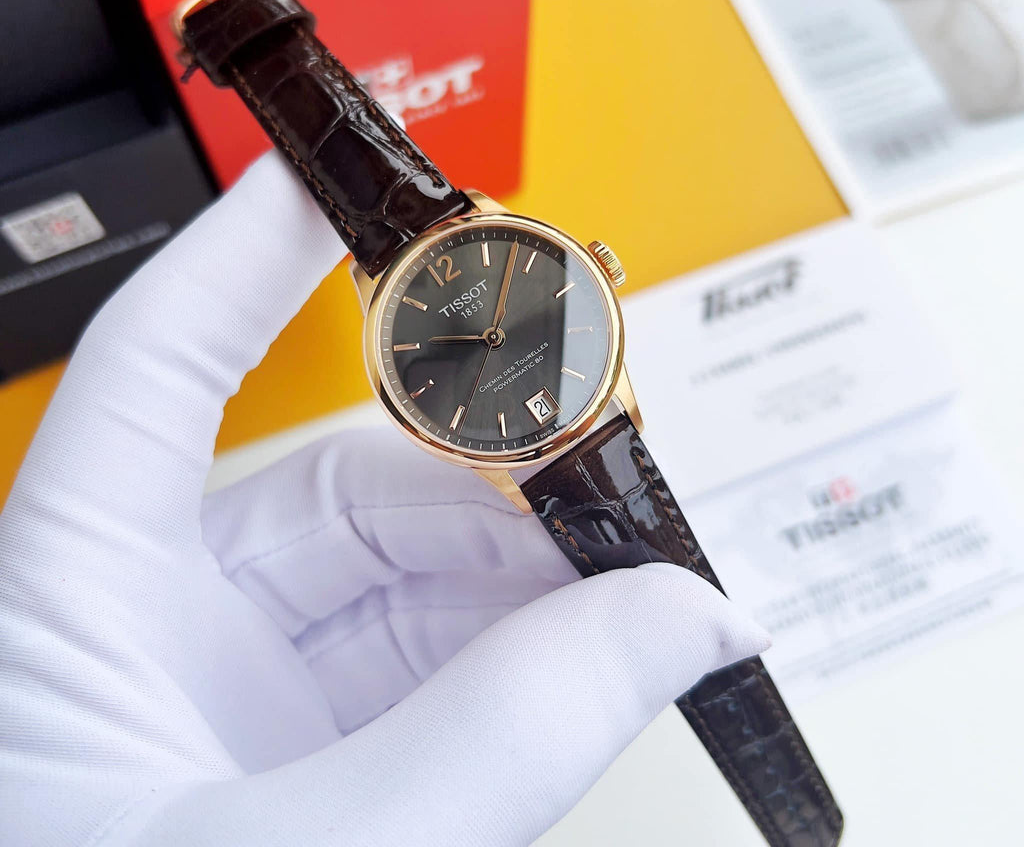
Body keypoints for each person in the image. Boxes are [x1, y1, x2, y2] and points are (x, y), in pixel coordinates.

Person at [0, 152, 768, 846]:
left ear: (596, 270)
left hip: (582, 403)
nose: (494, 339)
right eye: (476, 343)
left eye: (498, 328)